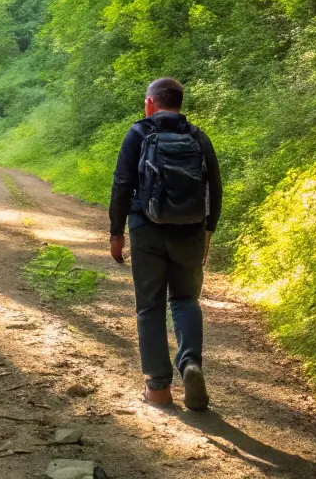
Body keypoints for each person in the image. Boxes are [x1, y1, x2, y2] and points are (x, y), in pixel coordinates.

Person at [108, 77, 222, 409]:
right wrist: (208, 230)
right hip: (190, 230)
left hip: (146, 229)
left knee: (150, 306)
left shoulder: (138, 133)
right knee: (186, 300)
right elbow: (214, 186)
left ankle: (158, 388)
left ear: (150, 103)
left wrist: (116, 232)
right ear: (179, 103)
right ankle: (190, 363)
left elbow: (122, 183)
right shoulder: (197, 136)